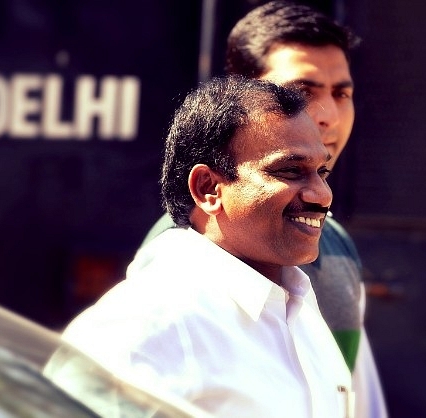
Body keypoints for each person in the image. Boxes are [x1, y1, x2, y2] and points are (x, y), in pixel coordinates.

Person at [48, 76, 354, 417]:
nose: (322, 195)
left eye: (322, 172)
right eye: (291, 170)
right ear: (208, 188)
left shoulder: (298, 310)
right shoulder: (141, 328)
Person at [142, 2, 388, 417]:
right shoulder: (175, 265)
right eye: (300, 93)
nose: (327, 115)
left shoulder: (336, 246)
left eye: (341, 93)